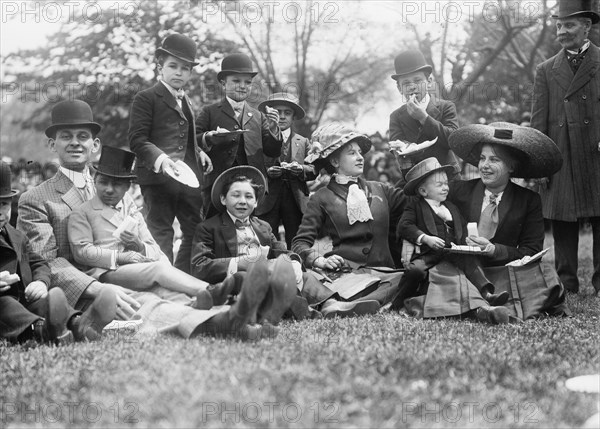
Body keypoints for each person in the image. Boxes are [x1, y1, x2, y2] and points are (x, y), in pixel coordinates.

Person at [18, 100, 278, 340]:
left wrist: (158, 264)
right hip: (87, 287)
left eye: (82, 137)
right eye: (66, 137)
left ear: (94, 145)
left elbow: (144, 237)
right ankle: (226, 321)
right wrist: (92, 288)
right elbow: (46, 262)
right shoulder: (36, 199)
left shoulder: (115, 187)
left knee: (171, 291)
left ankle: (240, 314)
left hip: (132, 271)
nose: (75, 143)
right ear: (52, 144)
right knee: (147, 303)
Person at [68, 146, 232, 310]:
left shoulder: (131, 210)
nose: (109, 189)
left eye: (117, 184)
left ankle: (198, 308)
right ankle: (210, 290)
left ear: (127, 187)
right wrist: (120, 257)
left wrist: (139, 246)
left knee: (163, 288)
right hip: (105, 273)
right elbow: (81, 252)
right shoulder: (82, 212)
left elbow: (154, 248)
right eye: (103, 182)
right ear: (95, 181)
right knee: (158, 269)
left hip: (137, 270)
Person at [292, 123, 408, 316]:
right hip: (345, 273)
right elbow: (299, 243)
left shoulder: (381, 189)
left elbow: (412, 201)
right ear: (335, 161)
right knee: (308, 277)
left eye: (360, 152)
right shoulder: (321, 197)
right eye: (352, 153)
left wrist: (405, 164)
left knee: (411, 277)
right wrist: (318, 259)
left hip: (385, 274)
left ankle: (340, 304)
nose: (360, 157)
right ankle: (361, 302)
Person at [0, 161, 116, 344]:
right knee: (6, 305)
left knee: (46, 300)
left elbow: (38, 262)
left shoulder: (15, 235)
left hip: (24, 299)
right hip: (5, 307)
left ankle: (80, 324)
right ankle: (43, 331)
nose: (0, 213)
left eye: (4, 205)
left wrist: (40, 281)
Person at [530, 0, 600, 294]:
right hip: (561, 154)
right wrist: (540, 163)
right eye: (559, 25)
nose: (562, 31)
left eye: (569, 25)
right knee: (563, 219)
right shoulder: (546, 70)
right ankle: (567, 282)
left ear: (587, 27)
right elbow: (538, 122)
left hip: (596, 152)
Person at [128, 33, 212, 274]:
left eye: (185, 69)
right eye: (173, 66)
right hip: (157, 179)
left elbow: (184, 137)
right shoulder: (146, 98)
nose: (179, 73)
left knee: (196, 229)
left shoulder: (187, 100)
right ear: (160, 67)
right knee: (160, 231)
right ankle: (163, 282)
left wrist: (198, 152)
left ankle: (184, 277)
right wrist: (162, 160)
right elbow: (137, 140)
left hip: (188, 178)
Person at [191, 166, 317, 322]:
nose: (243, 201)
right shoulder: (208, 228)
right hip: (237, 283)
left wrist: (293, 261)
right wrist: (240, 263)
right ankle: (303, 309)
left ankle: (329, 302)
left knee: (306, 276)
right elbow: (199, 266)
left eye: (249, 197)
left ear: (256, 202)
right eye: (236, 195)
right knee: (248, 277)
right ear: (223, 199)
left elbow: (279, 249)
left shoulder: (263, 226)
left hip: (269, 276)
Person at [394, 157, 509, 312]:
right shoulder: (415, 206)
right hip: (428, 254)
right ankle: (397, 301)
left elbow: (461, 226)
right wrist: (425, 238)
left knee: (471, 262)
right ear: (423, 191)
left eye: (446, 183)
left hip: (452, 252)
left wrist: (467, 241)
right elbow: (404, 226)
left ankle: (487, 293)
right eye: (439, 184)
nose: (445, 188)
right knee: (415, 270)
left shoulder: (451, 207)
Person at [195, 53, 282, 218]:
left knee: (249, 232)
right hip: (218, 186)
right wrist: (209, 136)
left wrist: (274, 128)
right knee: (217, 231)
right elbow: (194, 138)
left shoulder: (259, 116)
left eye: (247, 82)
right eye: (236, 81)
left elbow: (272, 151)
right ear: (223, 83)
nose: (242, 86)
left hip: (251, 187)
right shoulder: (210, 112)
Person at [254, 93, 316, 248]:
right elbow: (251, 164)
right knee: (266, 240)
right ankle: (268, 270)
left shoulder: (303, 142)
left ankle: (299, 269)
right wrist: (266, 172)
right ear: (268, 114)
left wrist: (300, 169)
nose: (281, 117)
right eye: (277, 112)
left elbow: (314, 169)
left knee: (297, 240)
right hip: (267, 198)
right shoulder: (259, 139)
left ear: (293, 117)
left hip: (295, 198)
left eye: (287, 113)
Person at [389, 50, 459, 182]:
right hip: (416, 180)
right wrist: (401, 149)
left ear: (429, 81)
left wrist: (424, 118)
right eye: (406, 83)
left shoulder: (446, 107)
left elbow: (453, 140)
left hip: (448, 177)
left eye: (418, 80)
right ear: (399, 88)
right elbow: (396, 146)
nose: (412, 87)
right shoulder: (396, 116)